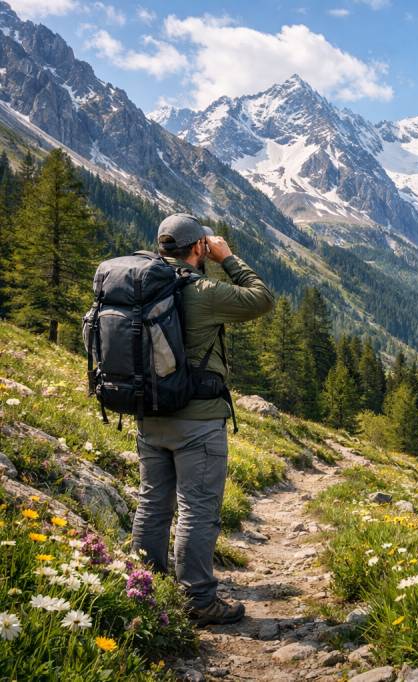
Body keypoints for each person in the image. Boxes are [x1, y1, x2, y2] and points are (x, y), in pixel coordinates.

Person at [131, 213, 273, 626]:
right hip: (197, 422)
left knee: (152, 503)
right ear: (198, 248)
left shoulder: (142, 283)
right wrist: (228, 256)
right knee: (197, 509)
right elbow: (260, 298)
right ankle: (198, 600)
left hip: (149, 414)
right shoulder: (204, 290)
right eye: (205, 245)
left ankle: (146, 588)